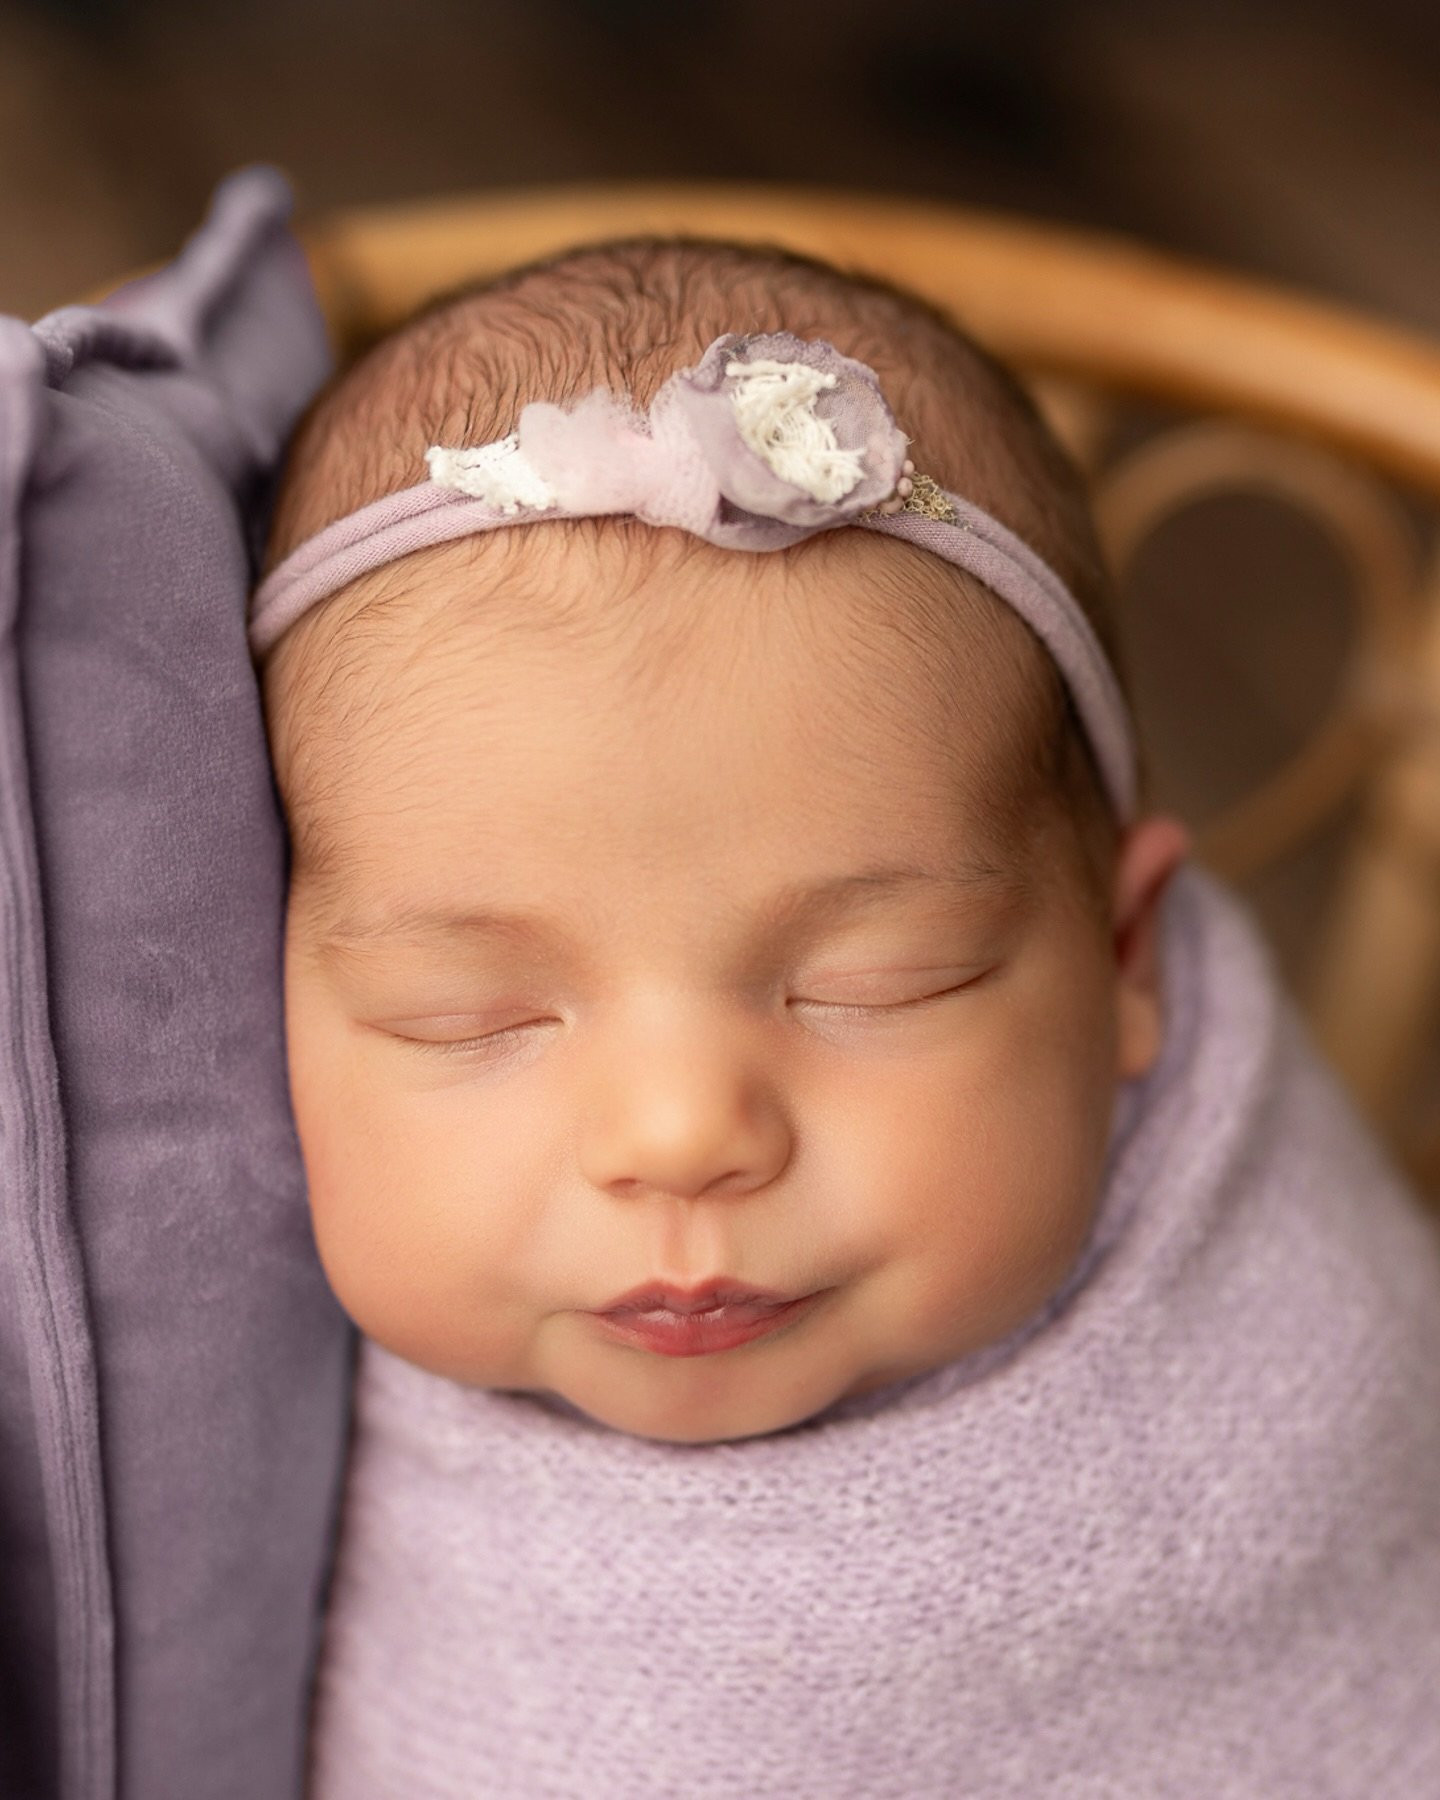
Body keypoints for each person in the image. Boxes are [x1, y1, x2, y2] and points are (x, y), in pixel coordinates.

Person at [249, 237, 1440, 1795]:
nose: (681, 1134)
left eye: (880, 981)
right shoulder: (185, 1394)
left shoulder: (1297, 1378)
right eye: (464, 1014)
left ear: (1128, 957)